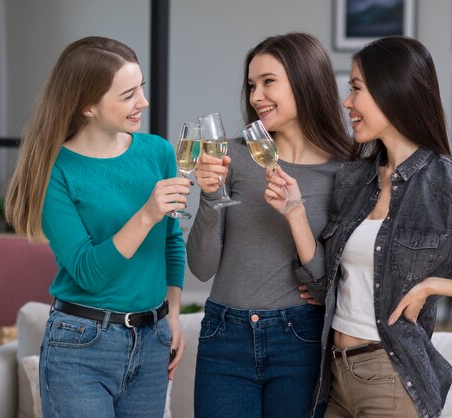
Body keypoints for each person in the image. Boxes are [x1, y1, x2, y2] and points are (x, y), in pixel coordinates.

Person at [265, 36, 452, 418]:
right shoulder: (355, 179)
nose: (346, 103)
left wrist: (435, 286)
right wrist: (295, 213)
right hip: (333, 377)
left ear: (392, 91)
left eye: (355, 89)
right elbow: (321, 288)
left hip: (391, 379)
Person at [4, 36, 190, 417]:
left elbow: (171, 240)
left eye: (141, 88)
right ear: (87, 106)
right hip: (80, 348)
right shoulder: (55, 171)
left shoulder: (158, 152)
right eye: (128, 95)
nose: (143, 102)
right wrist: (145, 215)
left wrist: (171, 313)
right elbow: (88, 271)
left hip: (152, 341)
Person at [186, 32, 352, 418]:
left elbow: (334, 277)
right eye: (251, 85)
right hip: (224, 336)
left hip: (301, 339)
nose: (255, 96)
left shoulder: (348, 170)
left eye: (268, 82)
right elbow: (202, 266)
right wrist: (209, 195)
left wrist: (296, 216)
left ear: (306, 81)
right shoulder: (230, 157)